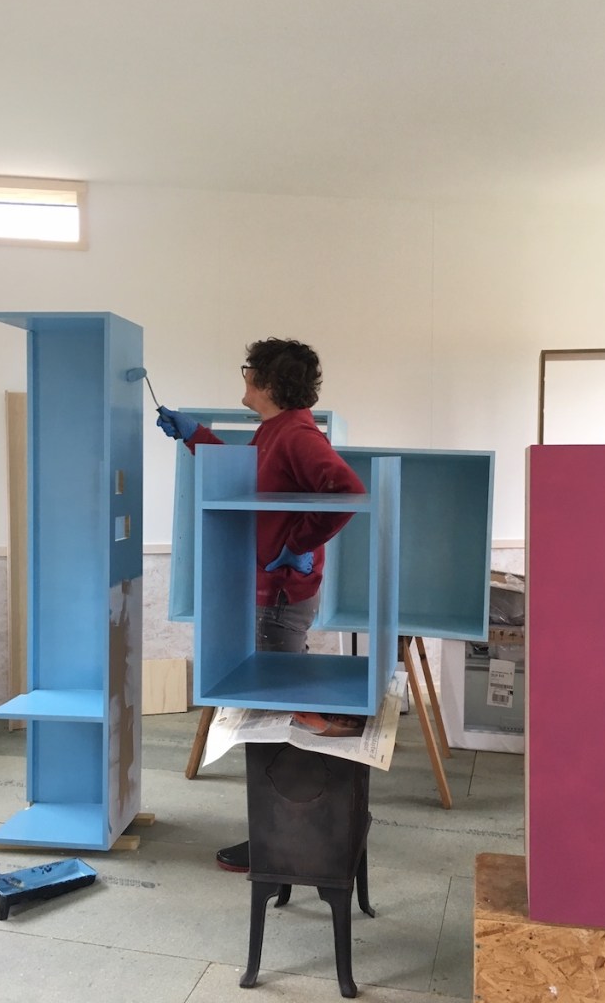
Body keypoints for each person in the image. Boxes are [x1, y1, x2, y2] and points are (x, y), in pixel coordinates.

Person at [157, 337, 366, 872]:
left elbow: (345, 490)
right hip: (276, 592)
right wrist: (194, 436)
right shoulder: (277, 429)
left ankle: (282, 841)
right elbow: (246, 470)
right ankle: (291, 833)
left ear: (269, 381)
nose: (244, 375)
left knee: (276, 723)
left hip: (279, 596)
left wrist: (296, 546)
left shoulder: (296, 432)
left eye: (249, 369)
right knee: (277, 716)